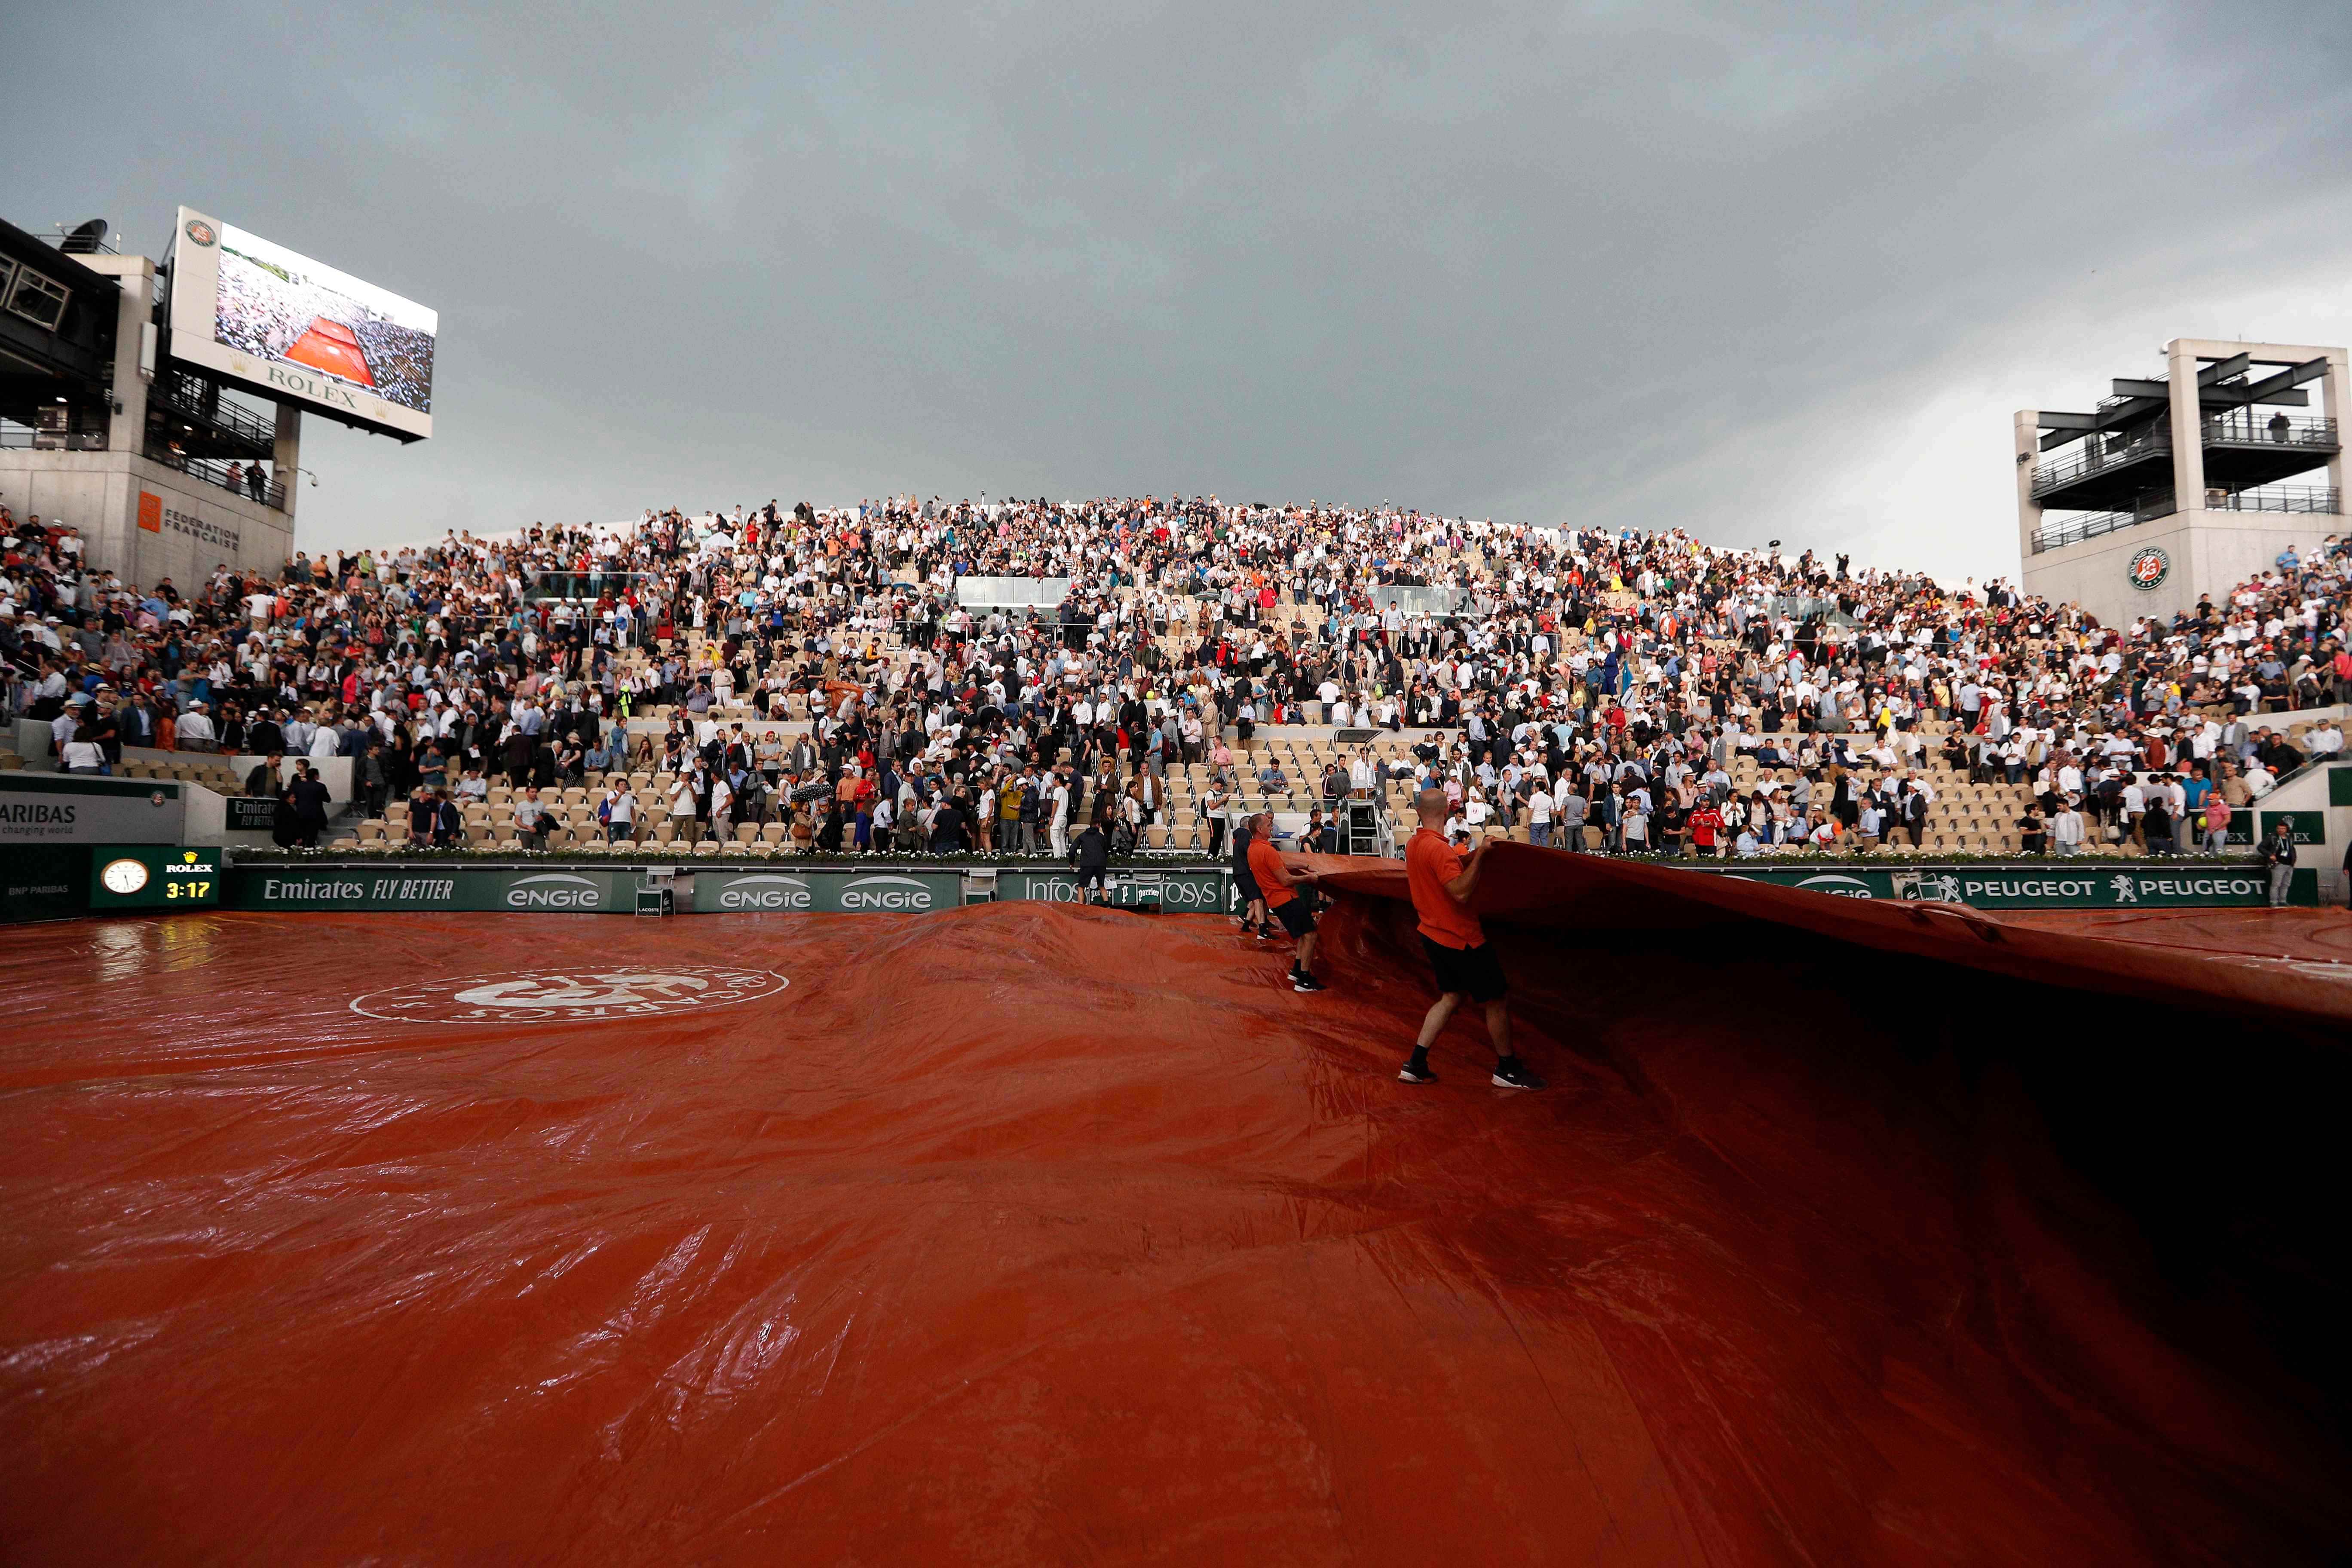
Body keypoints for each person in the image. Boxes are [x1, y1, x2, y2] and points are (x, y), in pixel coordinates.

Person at [1399, 787, 1543, 1090]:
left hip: (1432, 932)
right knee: (1497, 998)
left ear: (1418, 811)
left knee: (1451, 996)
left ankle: (1415, 1063)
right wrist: (1481, 859)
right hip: (1460, 938)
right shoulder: (1439, 850)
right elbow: (1461, 892)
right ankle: (1507, 1069)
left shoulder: (1415, 844)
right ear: (1450, 810)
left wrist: (1470, 857)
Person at [1245, 811, 1323, 992]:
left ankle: (1298, 971)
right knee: (1311, 935)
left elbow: (1278, 866)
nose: (1272, 827)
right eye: (1268, 825)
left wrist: (1303, 866)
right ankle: (1303, 980)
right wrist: (1310, 878)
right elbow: (1286, 880)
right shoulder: (1267, 850)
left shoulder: (1254, 849)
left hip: (1277, 901)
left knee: (1306, 933)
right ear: (1259, 829)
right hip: (1285, 898)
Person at [1071, 819, 1112, 903]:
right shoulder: (1102, 837)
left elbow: (1072, 849)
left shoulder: (1082, 836)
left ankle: (1080, 908)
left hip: (1087, 864)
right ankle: (1108, 907)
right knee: (1102, 886)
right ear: (1099, 825)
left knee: (1081, 887)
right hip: (1100, 865)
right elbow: (1106, 852)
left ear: (1090, 825)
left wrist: (1071, 863)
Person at [2260, 819, 2298, 908]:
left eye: (2283, 829)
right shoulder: (2272, 837)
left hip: (2289, 864)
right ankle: (2274, 902)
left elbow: (2292, 849)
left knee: (2286, 884)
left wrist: (2294, 860)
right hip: (2278, 864)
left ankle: (2283, 901)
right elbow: (2261, 847)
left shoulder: (2290, 837)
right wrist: (2270, 855)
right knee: (2276, 884)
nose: (2281, 830)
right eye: (2279, 828)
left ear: (2287, 830)